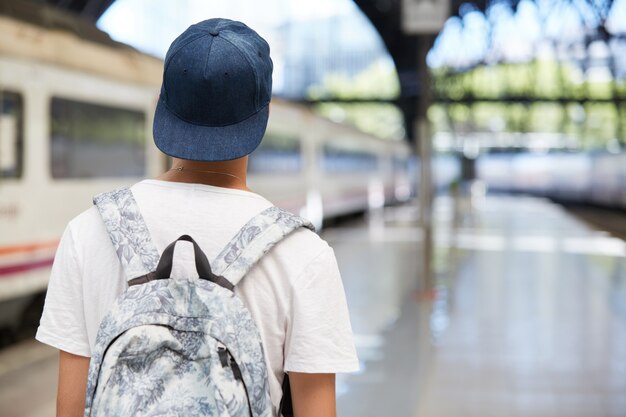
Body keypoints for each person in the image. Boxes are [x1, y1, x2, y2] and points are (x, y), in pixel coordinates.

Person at [36, 18, 358, 417]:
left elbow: (70, 408)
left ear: (160, 105)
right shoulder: (305, 256)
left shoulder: (87, 233)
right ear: (263, 116)